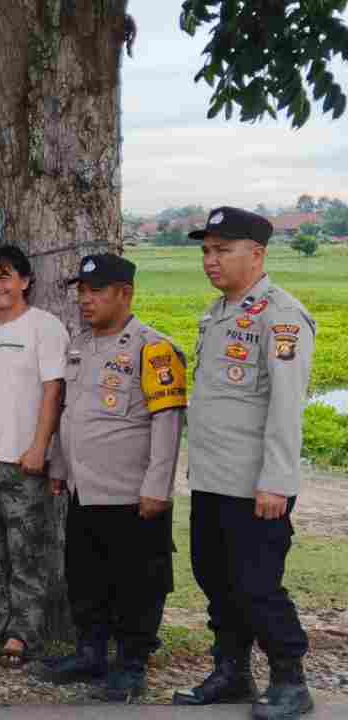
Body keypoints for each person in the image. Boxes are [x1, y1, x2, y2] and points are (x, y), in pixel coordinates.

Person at [173, 207, 317, 719]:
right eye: (206, 250)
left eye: (222, 250)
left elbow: (285, 408)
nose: (210, 260)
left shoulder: (281, 316)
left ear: (256, 254)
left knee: (258, 587)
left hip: (258, 485)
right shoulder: (219, 314)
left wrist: (276, 482)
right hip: (213, 479)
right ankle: (231, 672)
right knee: (216, 581)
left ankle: (290, 680)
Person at [39, 253, 185, 701]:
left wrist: (157, 488)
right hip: (86, 492)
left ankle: (132, 664)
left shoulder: (153, 348)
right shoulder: (80, 346)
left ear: (125, 293)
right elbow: (71, 416)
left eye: (96, 290)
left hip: (132, 495)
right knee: (86, 579)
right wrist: (60, 468)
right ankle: (91, 653)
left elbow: (168, 424)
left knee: (137, 585)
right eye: (81, 291)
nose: (86, 299)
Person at [0, 244, 68, 667]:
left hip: (23, 461)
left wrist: (40, 446)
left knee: (26, 554)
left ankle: (23, 635)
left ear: (24, 281)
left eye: (3, 277)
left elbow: (52, 390)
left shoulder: (44, 327)